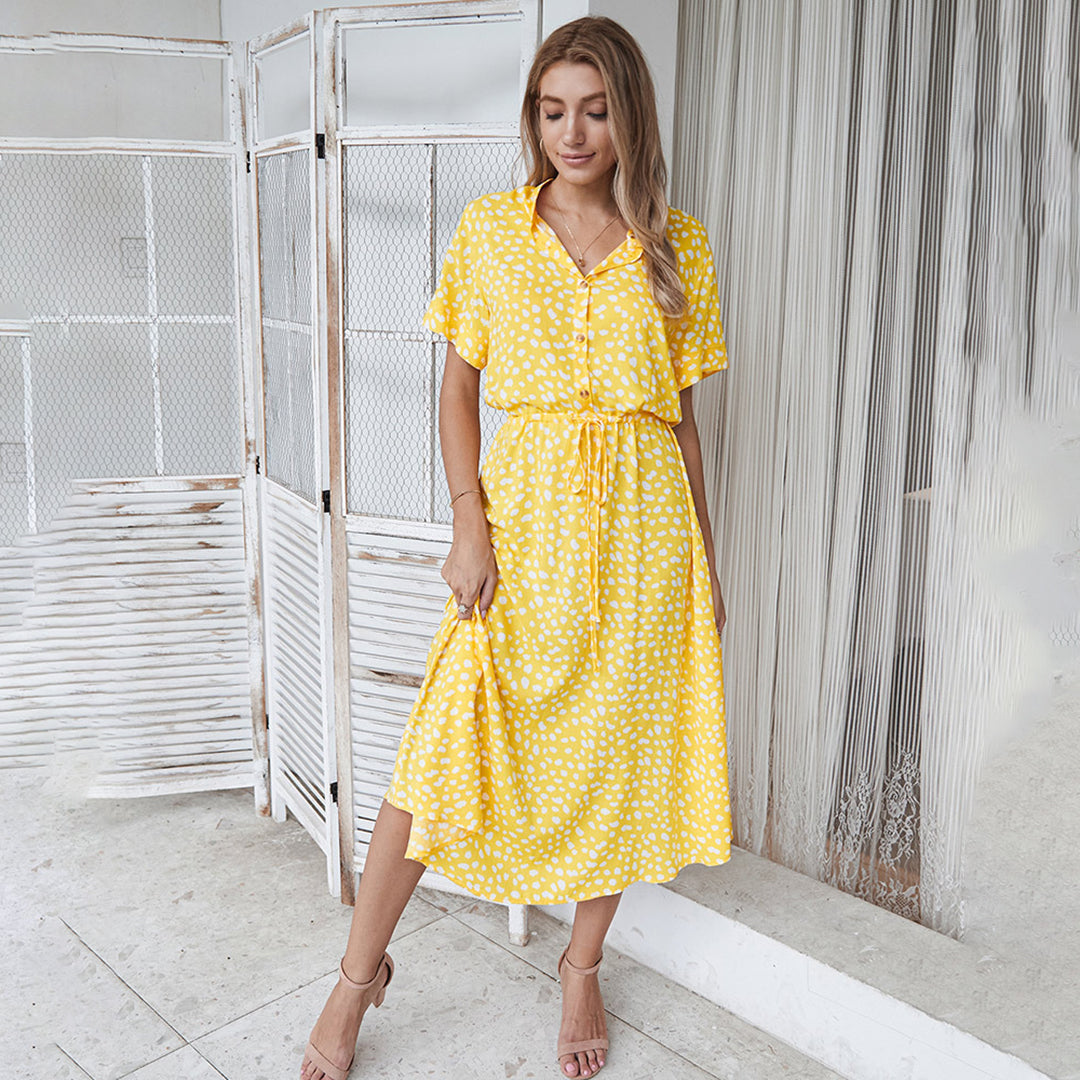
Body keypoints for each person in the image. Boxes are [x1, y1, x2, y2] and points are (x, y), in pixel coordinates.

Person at [301, 15, 732, 1080]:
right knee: (438, 753)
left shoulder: (678, 244)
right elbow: (459, 387)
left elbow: (683, 425)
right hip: (523, 534)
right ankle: (356, 978)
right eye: (552, 111)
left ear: (629, 119)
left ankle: (582, 966)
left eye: (596, 111)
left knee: (619, 760)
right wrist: (468, 523)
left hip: (645, 545)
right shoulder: (491, 230)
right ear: (533, 119)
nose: (572, 134)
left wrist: (708, 564)